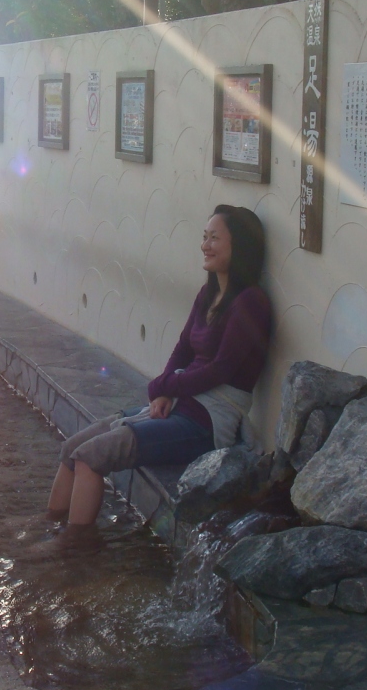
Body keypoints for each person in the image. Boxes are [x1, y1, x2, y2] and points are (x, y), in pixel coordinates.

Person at [36, 205, 272, 557]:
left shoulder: (251, 302)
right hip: (179, 405)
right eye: (204, 237)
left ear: (240, 246)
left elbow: (222, 369)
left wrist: (165, 387)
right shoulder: (208, 294)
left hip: (205, 423)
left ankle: (72, 548)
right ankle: (50, 526)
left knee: (92, 456)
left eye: (214, 238)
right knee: (72, 448)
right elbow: (183, 349)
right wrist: (162, 391)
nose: (205, 245)